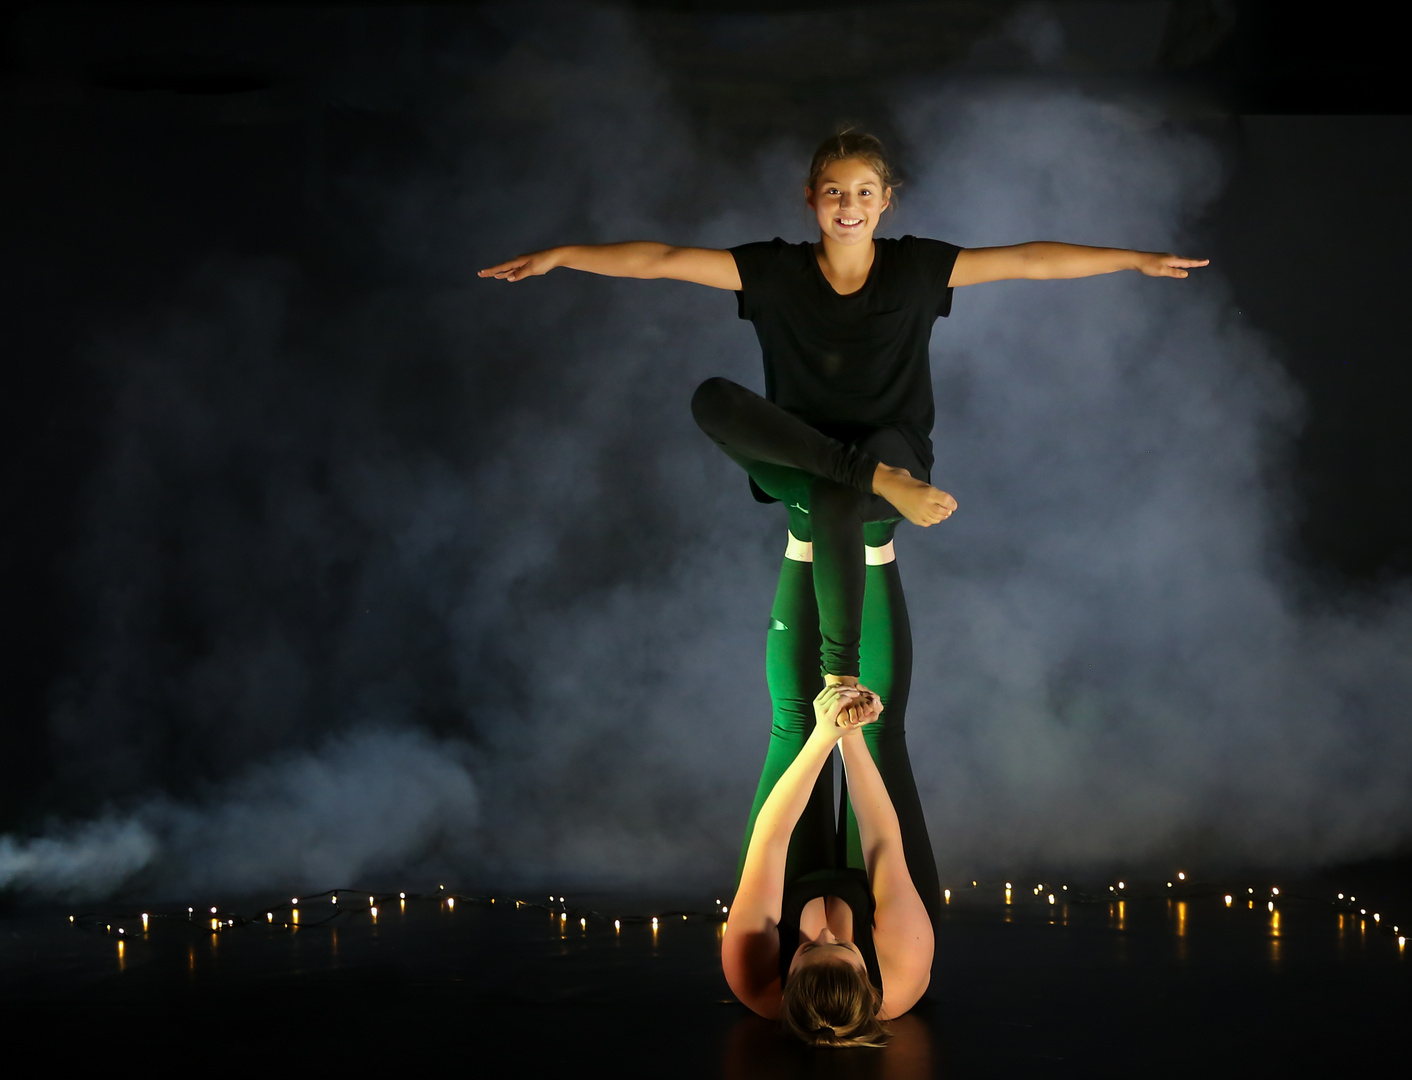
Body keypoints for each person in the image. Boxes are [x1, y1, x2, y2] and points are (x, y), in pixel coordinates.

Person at [478, 130, 1208, 715]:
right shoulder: (774, 271)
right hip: (800, 448)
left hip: (894, 445)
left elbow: (1027, 260)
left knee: (833, 499)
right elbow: (663, 258)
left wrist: (1136, 259)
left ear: (887, 200)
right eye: (834, 192)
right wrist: (562, 256)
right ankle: (870, 481)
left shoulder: (918, 269)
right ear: (811, 200)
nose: (848, 204)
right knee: (711, 397)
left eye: (863, 192)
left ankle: (843, 677)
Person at [720, 531, 938, 1046]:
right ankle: (878, 537)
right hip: (885, 886)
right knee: (881, 727)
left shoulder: (749, 970)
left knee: (794, 724)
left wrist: (824, 736)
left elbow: (770, 841)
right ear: (867, 969)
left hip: (787, 868)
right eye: (843, 946)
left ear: (785, 976)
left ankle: (803, 530)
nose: (826, 932)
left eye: (805, 947)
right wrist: (853, 732)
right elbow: (883, 840)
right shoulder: (901, 970)